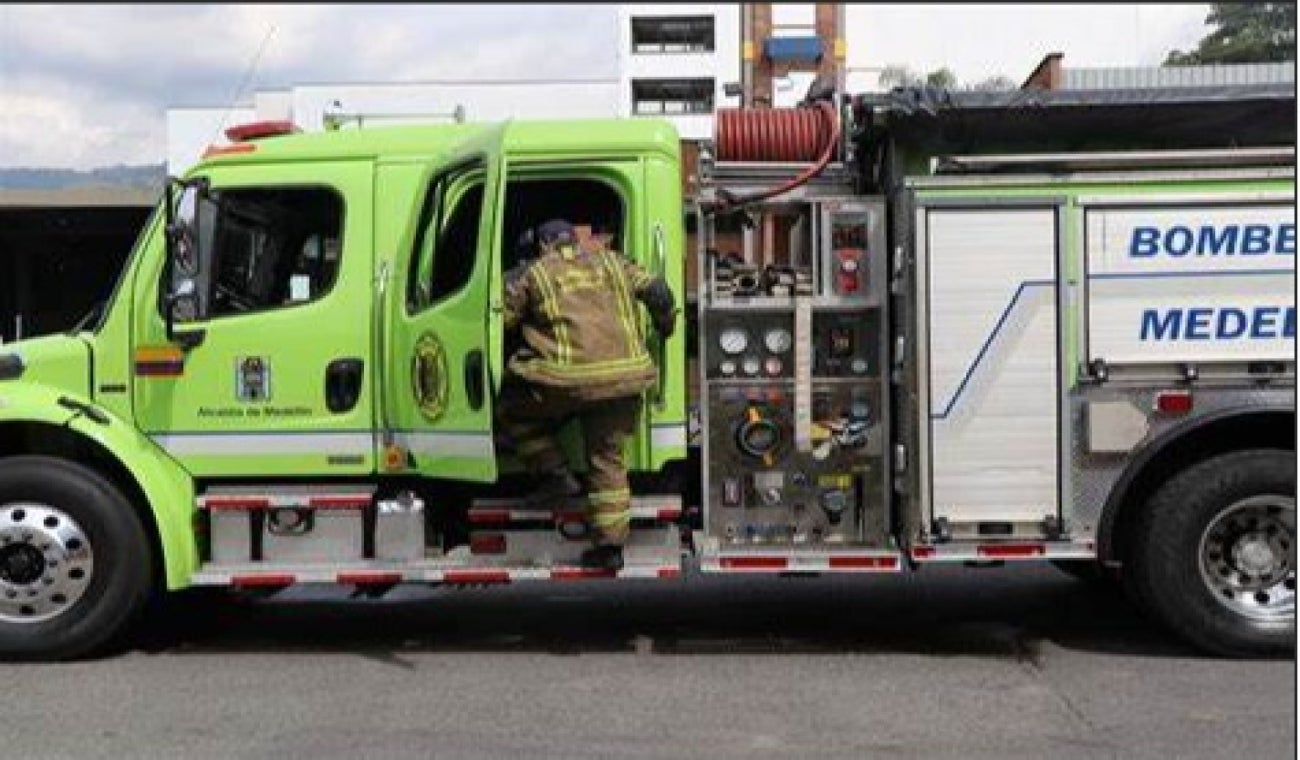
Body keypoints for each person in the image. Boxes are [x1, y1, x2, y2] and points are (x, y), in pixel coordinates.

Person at [497, 219, 676, 571]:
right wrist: (665, 327)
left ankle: (555, 474)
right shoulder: (613, 261)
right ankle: (610, 549)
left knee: (512, 408)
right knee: (607, 458)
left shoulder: (535, 274)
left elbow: (501, 321)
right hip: (625, 379)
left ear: (542, 244)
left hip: (568, 382)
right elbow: (659, 292)